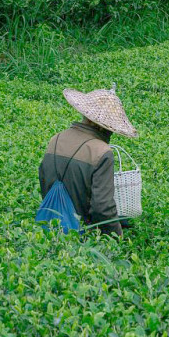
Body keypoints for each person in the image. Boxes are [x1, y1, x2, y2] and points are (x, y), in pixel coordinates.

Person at [39, 87, 138, 236]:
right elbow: (102, 208)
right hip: (82, 233)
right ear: (105, 127)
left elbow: (44, 182)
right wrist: (118, 237)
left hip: (50, 224)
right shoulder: (102, 152)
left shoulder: (56, 138)